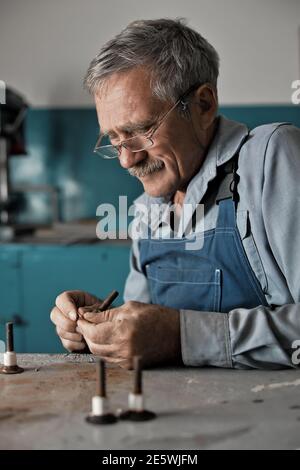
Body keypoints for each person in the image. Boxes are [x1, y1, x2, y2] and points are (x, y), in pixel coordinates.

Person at [50, 18, 300, 370]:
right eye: (114, 139)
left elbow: (170, 337)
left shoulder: (270, 158)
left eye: (140, 130)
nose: (127, 159)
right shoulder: (147, 210)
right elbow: (145, 336)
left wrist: (183, 337)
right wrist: (104, 328)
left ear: (203, 105)